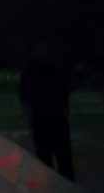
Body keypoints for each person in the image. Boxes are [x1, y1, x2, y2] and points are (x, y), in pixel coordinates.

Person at [19, 43, 75, 180]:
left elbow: (63, 91)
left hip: (52, 118)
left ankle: (61, 185)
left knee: (60, 159)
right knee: (49, 159)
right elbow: (25, 94)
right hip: (45, 118)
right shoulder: (34, 72)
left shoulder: (51, 70)